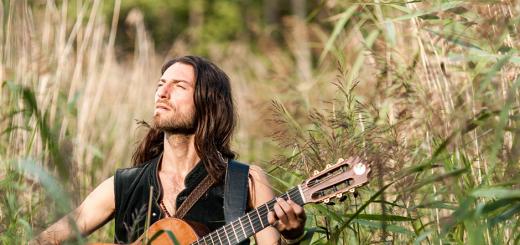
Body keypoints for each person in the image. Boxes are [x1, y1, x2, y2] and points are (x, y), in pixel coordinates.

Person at [32, 56, 307, 244]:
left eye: (179, 86)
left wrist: (291, 236)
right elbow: (47, 239)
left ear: (208, 103)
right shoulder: (124, 185)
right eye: (160, 85)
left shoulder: (245, 181)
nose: (162, 93)